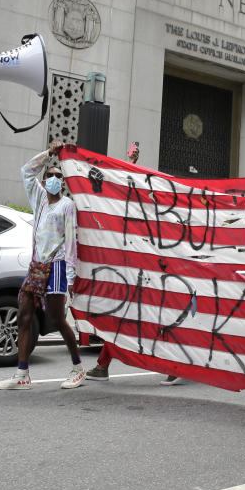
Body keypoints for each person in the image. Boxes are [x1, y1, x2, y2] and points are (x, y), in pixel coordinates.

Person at [85, 141, 182, 386]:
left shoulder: (163, 218)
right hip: (136, 275)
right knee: (123, 319)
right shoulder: (141, 212)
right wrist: (131, 164)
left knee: (152, 320)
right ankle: (103, 365)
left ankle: (174, 365)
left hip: (154, 276)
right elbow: (124, 192)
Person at [0, 143, 86, 391]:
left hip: (56, 265)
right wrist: (48, 155)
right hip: (37, 265)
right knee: (23, 315)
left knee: (57, 319)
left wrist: (70, 279)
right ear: (44, 180)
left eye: (59, 176)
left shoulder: (67, 206)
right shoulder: (40, 198)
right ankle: (22, 374)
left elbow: (70, 243)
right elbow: (26, 171)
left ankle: (77, 367)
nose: (54, 179)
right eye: (50, 175)